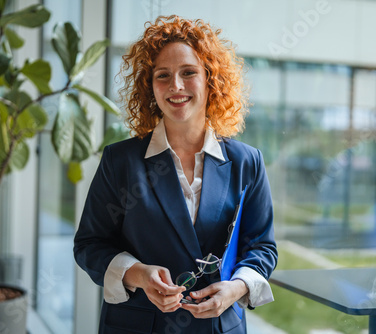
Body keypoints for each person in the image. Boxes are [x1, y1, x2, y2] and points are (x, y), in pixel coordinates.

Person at [74, 15, 277, 334]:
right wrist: (137, 273)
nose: (176, 86)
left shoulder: (245, 161)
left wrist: (236, 289)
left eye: (189, 73)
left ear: (211, 80)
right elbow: (90, 245)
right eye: (163, 75)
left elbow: (262, 247)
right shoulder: (120, 160)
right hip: (138, 325)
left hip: (219, 326)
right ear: (150, 87)